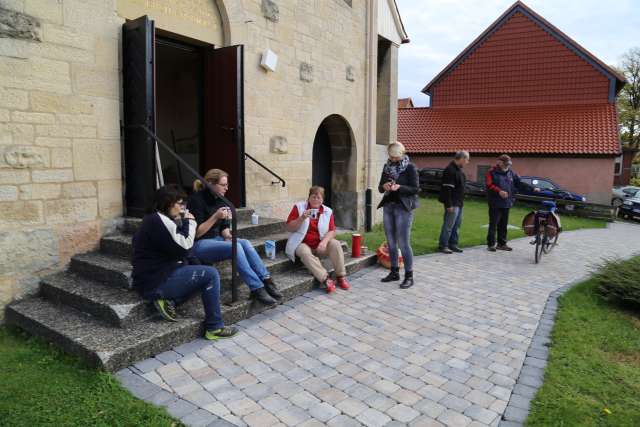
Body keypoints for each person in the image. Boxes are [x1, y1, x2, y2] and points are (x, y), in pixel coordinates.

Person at [131, 185, 238, 340]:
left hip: (150, 278)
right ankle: (214, 327)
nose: (183, 207)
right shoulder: (159, 220)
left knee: (199, 268)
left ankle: (169, 300)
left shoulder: (153, 219)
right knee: (210, 274)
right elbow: (185, 246)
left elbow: (175, 249)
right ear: (168, 203)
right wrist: (190, 222)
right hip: (155, 282)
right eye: (180, 203)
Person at [188, 169, 281, 305]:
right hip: (200, 244)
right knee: (235, 247)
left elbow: (224, 228)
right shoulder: (196, 200)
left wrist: (227, 235)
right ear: (210, 183)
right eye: (223, 184)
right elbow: (197, 233)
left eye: (227, 184)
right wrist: (215, 217)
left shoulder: (222, 200)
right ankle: (256, 288)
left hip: (216, 240)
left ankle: (267, 280)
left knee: (245, 243)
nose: (227, 188)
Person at [285, 186, 350, 293]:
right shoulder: (299, 207)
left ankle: (340, 276)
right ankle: (325, 279)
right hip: (302, 243)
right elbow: (288, 227)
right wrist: (302, 218)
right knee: (304, 252)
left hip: (320, 246)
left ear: (322, 200)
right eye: (313, 197)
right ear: (308, 198)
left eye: (318, 197)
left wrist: (324, 243)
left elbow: (332, 230)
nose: (316, 199)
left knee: (335, 244)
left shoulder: (327, 211)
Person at [377, 142, 419, 289]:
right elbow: (380, 187)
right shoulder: (386, 167)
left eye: (396, 157)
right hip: (389, 206)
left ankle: (409, 276)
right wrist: (385, 186)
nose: (393, 159)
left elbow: (415, 189)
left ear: (402, 154)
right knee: (391, 242)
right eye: (391, 156)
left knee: (403, 243)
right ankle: (394, 271)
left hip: (404, 208)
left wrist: (400, 187)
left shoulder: (410, 167)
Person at [485, 154, 540, 251]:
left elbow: (519, 183)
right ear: (499, 162)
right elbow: (489, 185)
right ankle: (491, 244)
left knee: (503, 224)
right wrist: (499, 191)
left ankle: (502, 244)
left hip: (506, 202)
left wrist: (532, 188)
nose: (508, 166)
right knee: (493, 224)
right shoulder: (491, 172)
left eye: (509, 164)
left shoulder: (511, 173)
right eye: (506, 164)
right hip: (495, 202)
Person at [438, 151, 470, 254]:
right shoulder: (450, 170)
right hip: (452, 203)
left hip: (459, 202)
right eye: (467, 160)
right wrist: (449, 204)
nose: (467, 162)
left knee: (457, 225)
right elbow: (447, 189)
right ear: (461, 158)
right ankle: (443, 245)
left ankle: (453, 244)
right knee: (448, 226)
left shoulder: (459, 170)